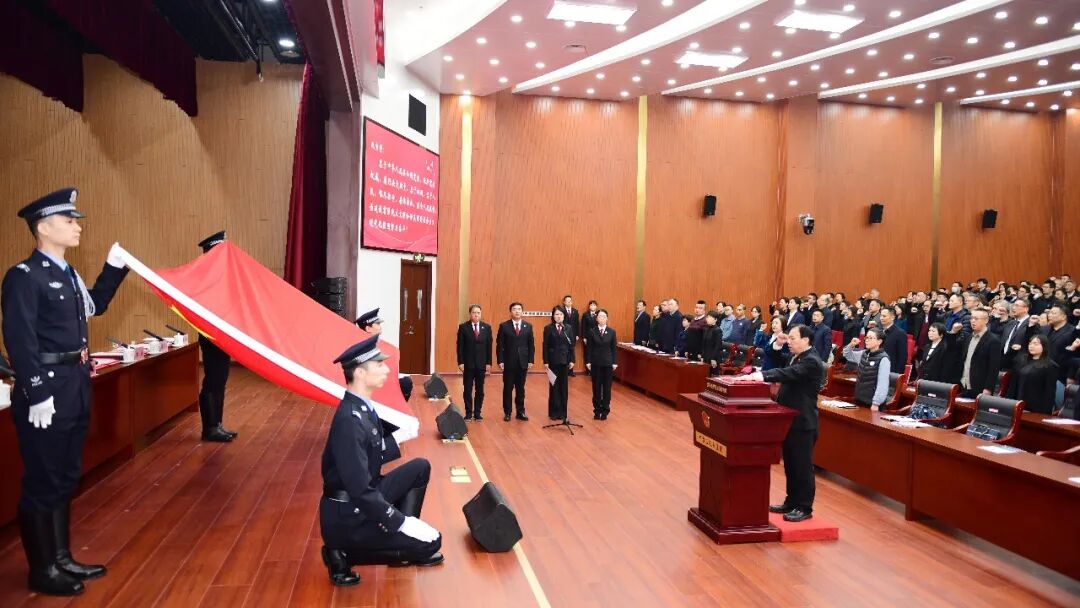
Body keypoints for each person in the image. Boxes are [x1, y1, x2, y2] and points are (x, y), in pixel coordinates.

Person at [2, 188, 129, 595]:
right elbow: (19, 340)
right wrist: (37, 391)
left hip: (74, 383)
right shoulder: (24, 277)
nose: (77, 227)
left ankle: (61, 557)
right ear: (43, 227)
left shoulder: (68, 275)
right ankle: (42, 570)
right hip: (47, 390)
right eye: (69, 220)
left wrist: (113, 269)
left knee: (66, 475)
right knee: (43, 479)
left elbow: (95, 305)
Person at [320, 336, 443, 587]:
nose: (386, 369)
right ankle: (341, 553)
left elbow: (368, 454)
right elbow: (360, 489)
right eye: (379, 365)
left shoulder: (362, 407)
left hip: (363, 496)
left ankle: (394, 536)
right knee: (430, 544)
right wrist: (399, 521)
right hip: (348, 515)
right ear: (360, 372)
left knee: (420, 467)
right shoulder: (350, 420)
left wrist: (397, 438)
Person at [738, 325, 825, 523]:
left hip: (803, 422)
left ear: (806, 340)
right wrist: (777, 344)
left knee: (802, 467)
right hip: (789, 419)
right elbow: (777, 359)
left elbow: (788, 373)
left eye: (793, 338)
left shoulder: (811, 361)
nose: (789, 342)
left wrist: (762, 376)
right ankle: (791, 501)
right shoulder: (797, 356)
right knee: (791, 465)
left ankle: (804, 507)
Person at [196, 231, 238, 443]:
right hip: (211, 336)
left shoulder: (219, 275)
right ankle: (210, 428)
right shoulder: (204, 277)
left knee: (221, 378)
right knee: (213, 379)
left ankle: (217, 424)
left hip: (222, 335)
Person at [356, 307, 414, 402]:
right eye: (377, 324)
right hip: (370, 381)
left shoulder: (378, 342)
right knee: (405, 383)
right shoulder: (363, 346)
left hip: (380, 377)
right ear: (368, 328)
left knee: (405, 381)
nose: (380, 326)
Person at [946, 308, 1002, 398]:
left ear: (986, 321)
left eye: (976, 318)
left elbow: (993, 367)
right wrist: (953, 332)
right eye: (971, 318)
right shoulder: (968, 337)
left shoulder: (993, 340)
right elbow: (952, 351)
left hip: (979, 387)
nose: (972, 321)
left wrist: (988, 388)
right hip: (962, 384)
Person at [496, 302, 534, 421]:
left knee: (520, 388)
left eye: (519, 309)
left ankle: (520, 412)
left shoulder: (528, 326)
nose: (517, 311)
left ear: (522, 311)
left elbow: (531, 345)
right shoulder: (504, 326)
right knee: (508, 388)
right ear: (510, 311)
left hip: (523, 362)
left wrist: (530, 360)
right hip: (508, 362)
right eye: (514, 309)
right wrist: (500, 360)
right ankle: (507, 412)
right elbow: (500, 345)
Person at [1005, 335, 1059, 414]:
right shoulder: (1022, 360)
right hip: (1017, 403)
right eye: (1030, 343)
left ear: (1044, 346)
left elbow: (1049, 393)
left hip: (1034, 407)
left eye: (1035, 344)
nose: (1031, 346)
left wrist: (1045, 413)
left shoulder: (1050, 366)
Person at [456, 304, 492, 421]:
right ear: (470, 314)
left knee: (480, 390)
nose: (476, 315)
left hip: (481, 364)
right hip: (468, 364)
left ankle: (477, 413)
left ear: (480, 314)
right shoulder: (463, 327)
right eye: (474, 312)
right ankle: (468, 413)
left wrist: (488, 363)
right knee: (467, 389)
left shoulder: (487, 328)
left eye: (478, 313)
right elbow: (460, 346)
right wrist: (460, 362)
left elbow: (489, 347)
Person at [842, 329, 892, 410]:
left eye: (870, 338)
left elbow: (882, 384)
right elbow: (847, 355)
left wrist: (876, 403)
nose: (867, 340)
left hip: (872, 403)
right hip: (859, 398)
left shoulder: (884, 359)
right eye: (866, 337)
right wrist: (851, 345)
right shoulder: (864, 353)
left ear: (879, 341)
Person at [543, 307, 575, 421]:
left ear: (564, 316)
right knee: (554, 386)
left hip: (564, 361)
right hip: (552, 361)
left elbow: (571, 346)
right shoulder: (548, 328)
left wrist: (572, 360)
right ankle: (553, 412)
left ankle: (563, 412)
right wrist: (546, 361)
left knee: (563, 387)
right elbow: (545, 345)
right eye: (556, 314)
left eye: (561, 314)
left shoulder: (568, 328)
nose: (559, 316)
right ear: (553, 316)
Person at [585, 309, 617, 420]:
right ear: (597, 318)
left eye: (604, 316)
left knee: (607, 388)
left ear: (607, 318)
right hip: (596, 363)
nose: (602, 318)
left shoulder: (611, 332)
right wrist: (588, 361)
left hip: (608, 363)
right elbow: (589, 348)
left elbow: (613, 348)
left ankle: (605, 410)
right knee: (596, 387)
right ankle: (597, 410)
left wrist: (614, 362)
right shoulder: (592, 331)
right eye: (600, 316)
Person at [1000, 298, 1035, 370]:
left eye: (1017, 306)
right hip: (1003, 362)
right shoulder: (1011, 323)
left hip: (1019, 365)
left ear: (1026, 309)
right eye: (1013, 305)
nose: (1013, 308)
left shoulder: (1032, 324)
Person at [879, 308, 909, 373]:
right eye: (881, 316)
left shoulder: (900, 333)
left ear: (892, 317)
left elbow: (902, 356)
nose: (881, 318)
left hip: (891, 369)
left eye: (884, 316)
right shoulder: (878, 330)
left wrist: (897, 374)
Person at [558, 295, 580, 376]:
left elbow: (577, 324)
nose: (569, 302)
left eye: (570, 301)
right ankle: (564, 371)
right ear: (564, 302)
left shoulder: (575, 311)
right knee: (564, 351)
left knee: (571, 351)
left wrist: (577, 334)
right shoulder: (562, 310)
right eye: (567, 301)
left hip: (572, 334)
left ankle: (571, 371)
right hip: (563, 333)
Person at [580, 300, 600, 372]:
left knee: (595, 352)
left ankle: (594, 369)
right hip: (587, 337)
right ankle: (588, 370)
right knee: (587, 353)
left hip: (596, 337)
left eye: (594, 305)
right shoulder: (585, 314)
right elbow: (583, 326)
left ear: (596, 306)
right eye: (591, 305)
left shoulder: (598, 314)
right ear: (589, 306)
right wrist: (584, 337)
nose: (592, 306)